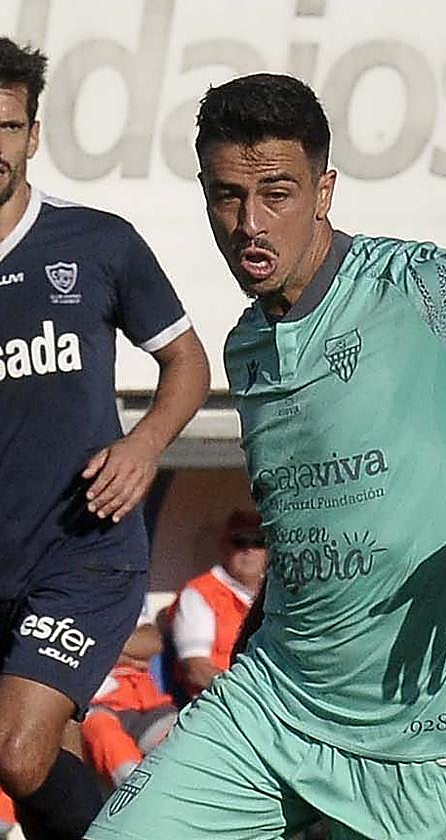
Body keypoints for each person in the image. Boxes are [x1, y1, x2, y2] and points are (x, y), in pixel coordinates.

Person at [86, 73, 446, 840]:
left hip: (428, 735)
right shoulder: (246, 345)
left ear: (325, 189)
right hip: (272, 705)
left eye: (278, 193)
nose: (249, 222)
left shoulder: (427, 288)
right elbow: (301, 529)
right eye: (227, 196)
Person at [0, 38, 209, 840]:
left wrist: (146, 444)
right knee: (42, 763)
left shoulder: (94, 243)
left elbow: (185, 361)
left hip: (84, 549)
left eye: (9, 126)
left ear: (34, 135)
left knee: (18, 755)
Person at [165, 510, 266, 698]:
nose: (248, 549)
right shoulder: (199, 593)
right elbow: (197, 671)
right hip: (218, 704)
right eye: (240, 541)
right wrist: (255, 695)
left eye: (258, 541)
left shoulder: (277, 595)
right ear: (224, 546)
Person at [81, 603, 177, 788]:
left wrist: (95, 650)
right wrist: (124, 652)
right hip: (95, 706)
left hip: (146, 706)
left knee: (181, 742)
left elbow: (150, 641)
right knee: (105, 733)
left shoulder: (117, 594)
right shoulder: (58, 599)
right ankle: (136, 795)